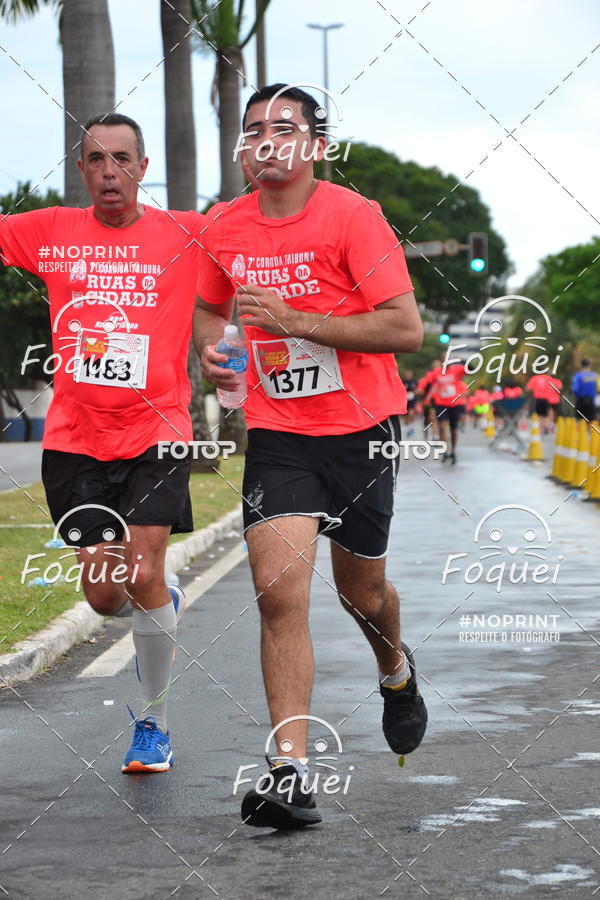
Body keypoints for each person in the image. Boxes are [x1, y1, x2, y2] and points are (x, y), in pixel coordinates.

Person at [195, 84, 427, 830]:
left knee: (361, 595)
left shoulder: (354, 217)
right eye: (253, 128)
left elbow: (404, 328)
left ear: (317, 146)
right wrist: (217, 355)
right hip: (280, 433)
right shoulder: (222, 225)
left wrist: (295, 319)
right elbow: (209, 307)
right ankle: (290, 772)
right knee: (277, 589)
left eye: (285, 128)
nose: (267, 140)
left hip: (363, 429)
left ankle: (395, 669)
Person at [0, 113, 205, 774]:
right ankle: (157, 595)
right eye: (96, 159)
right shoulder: (51, 230)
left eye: (122, 158)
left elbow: (263, 235)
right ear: (82, 169)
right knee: (104, 594)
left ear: (143, 168)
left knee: (142, 569)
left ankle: (155, 725)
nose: (109, 171)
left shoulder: (184, 234)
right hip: (79, 435)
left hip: (158, 429)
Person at [424, 362, 468, 464]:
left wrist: (464, 361)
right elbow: (430, 385)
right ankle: (445, 452)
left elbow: (470, 370)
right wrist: (427, 398)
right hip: (441, 404)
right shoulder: (436, 372)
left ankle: (453, 451)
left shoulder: (457, 369)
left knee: (453, 430)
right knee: (442, 427)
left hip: (455, 404)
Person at [402, 368, 417, 436]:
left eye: (410, 373)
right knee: (405, 415)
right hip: (404, 400)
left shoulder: (414, 381)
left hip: (412, 400)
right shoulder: (403, 381)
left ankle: (411, 427)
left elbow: (418, 389)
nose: (408, 375)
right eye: (407, 373)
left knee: (411, 413)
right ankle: (406, 428)